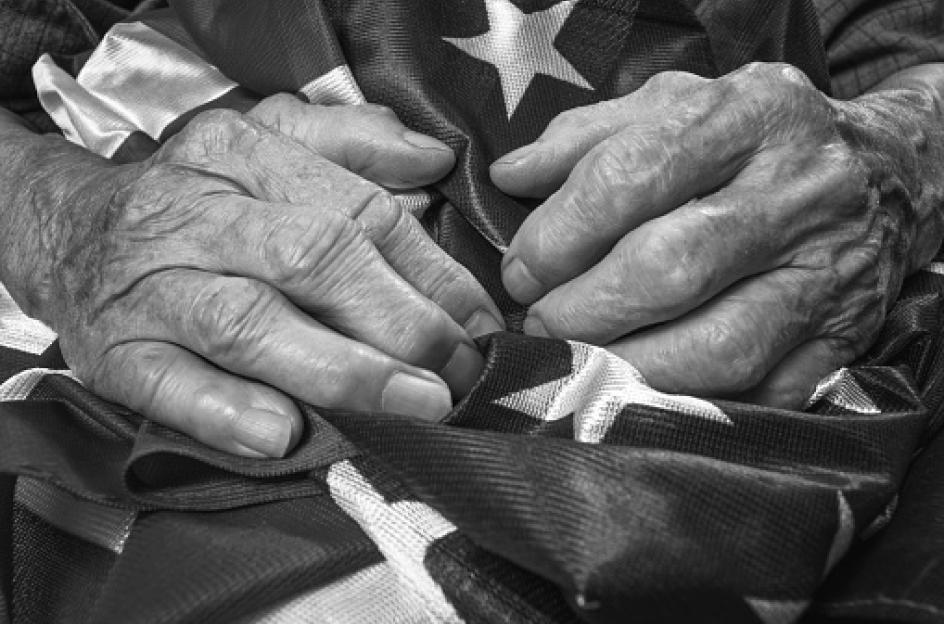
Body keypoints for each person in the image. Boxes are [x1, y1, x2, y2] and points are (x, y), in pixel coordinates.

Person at [0, 0, 942, 462]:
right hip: (172, 308)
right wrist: (58, 218)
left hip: (814, 357)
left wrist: (902, 149)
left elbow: (913, 43)